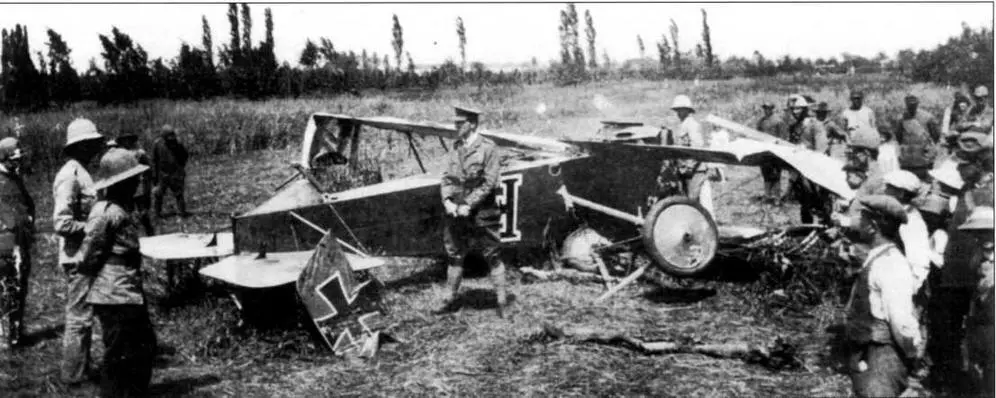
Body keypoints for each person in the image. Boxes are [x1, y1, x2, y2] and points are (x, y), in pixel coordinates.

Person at [79, 147, 156, 397]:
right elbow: (89, 254)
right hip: (113, 294)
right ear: (118, 183)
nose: (136, 184)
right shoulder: (105, 212)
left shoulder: (122, 208)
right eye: (131, 179)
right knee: (118, 356)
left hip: (127, 290)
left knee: (142, 347)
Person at [929, 131, 994, 393]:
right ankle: (954, 377)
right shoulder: (968, 188)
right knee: (949, 327)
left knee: (979, 332)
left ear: (980, 163)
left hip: (979, 274)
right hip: (956, 270)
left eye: (963, 163)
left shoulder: (990, 192)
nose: (958, 167)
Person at [843, 195, 923, 397]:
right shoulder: (877, 257)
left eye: (862, 219)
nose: (857, 224)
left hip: (882, 357)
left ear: (873, 225)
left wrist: (911, 353)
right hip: (868, 353)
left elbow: (902, 322)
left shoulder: (891, 264)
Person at [435, 106, 509, 318]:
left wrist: (469, 203)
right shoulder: (456, 146)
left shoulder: (488, 148)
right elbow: (447, 177)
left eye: (460, 123)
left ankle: (502, 302)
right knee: (455, 255)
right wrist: (448, 200)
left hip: (483, 211)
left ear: (473, 124)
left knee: (492, 256)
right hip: (456, 211)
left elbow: (489, 182)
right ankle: (449, 299)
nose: (456, 127)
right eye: (455, 123)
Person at [53, 118, 105, 385]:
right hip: (78, 257)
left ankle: (79, 369)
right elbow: (61, 222)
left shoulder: (82, 172)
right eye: (91, 144)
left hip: (86, 254)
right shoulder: (69, 177)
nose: (95, 149)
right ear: (80, 146)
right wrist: (93, 228)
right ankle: (73, 376)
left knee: (84, 316)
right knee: (80, 318)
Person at [0, 138, 34, 349]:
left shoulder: (15, 178)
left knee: (18, 287)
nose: (18, 162)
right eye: (14, 158)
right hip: (5, 243)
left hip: (20, 241)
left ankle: (15, 334)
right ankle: (6, 338)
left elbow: (27, 204)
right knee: (7, 288)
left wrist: (30, 221)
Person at [960, 206, 994, 397]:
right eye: (978, 233)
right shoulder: (977, 255)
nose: (983, 238)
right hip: (980, 322)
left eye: (988, 232)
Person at [785, 95, 830, 224]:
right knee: (804, 202)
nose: (794, 112)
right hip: (799, 169)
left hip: (814, 170)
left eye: (798, 109)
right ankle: (807, 227)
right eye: (792, 109)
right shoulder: (793, 127)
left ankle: (826, 225)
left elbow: (821, 148)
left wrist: (808, 153)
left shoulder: (815, 125)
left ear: (805, 109)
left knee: (819, 201)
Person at [883, 170, 930, 291]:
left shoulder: (912, 222)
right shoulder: (892, 214)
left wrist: (908, 291)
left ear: (901, 193)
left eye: (889, 188)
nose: (884, 191)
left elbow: (919, 263)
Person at [666, 95, 715, 201]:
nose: (678, 113)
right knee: (686, 198)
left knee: (693, 200)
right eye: (677, 110)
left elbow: (697, 148)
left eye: (681, 110)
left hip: (695, 170)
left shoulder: (692, 124)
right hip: (685, 170)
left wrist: (688, 167)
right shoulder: (682, 125)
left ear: (687, 110)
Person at [893, 95, 941, 178]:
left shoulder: (927, 117)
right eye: (910, 105)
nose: (912, 107)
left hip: (924, 159)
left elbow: (936, 135)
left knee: (925, 182)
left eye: (913, 105)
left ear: (917, 104)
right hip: (908, 159)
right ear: (906, 105)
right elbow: (898, 136)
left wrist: (928, 147)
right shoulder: (901, 118)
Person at [116, 132, 154, 235]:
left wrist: (148, 181)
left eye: (128, 139)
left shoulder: (139, 152)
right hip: (125, 185)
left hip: (139, 184)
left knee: (143, 211)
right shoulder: (119, 153)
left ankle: (150, 232)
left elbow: (148, 167)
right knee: (128, 211)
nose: (126, 142)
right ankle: (132, 234)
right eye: (124, 140)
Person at [151, 124, 189, 218]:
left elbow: (184, 156)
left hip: (176, 173)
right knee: (158, 194)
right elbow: (154, 160)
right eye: (168, 137)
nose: (171, 139)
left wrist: (180, 168)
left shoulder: (178, 143)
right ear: (163, 136)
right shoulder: (157, 144)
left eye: (172, 137)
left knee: (179, 194)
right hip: (162, 174)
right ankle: (157, 214)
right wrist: (155, 176)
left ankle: (182, 213)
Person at [756, 101, 786, 202]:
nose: (766, 110)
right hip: (764, 152)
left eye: (768, 108)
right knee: (765, 174)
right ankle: (767, 194)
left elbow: (782, 137)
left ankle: (777, 197)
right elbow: (757, 135)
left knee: (776, 174)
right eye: (765, 108)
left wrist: (778, 148)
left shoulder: (778, 121)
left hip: (775, 152)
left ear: (772, 109)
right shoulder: (761, 121)